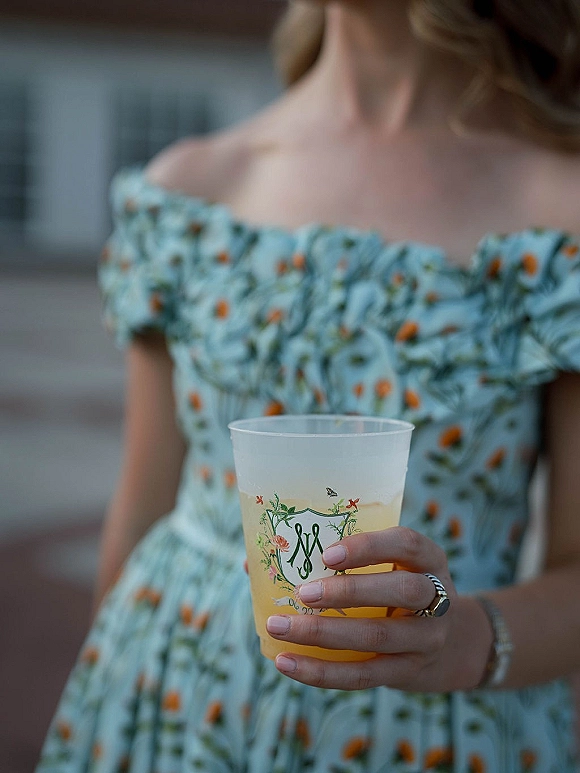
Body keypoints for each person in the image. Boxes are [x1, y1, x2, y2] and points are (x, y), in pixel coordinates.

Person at [37, 1, 580, 771]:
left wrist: (463, 640)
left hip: (428, 734)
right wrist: (111, 716)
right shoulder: (192, 188)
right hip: (170, 701)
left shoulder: (562, 210)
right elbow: (141, 515)